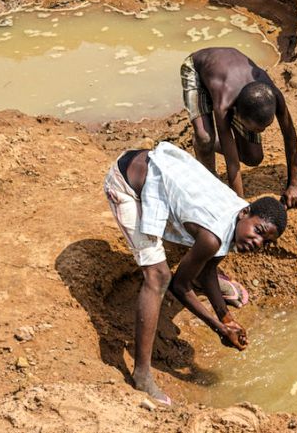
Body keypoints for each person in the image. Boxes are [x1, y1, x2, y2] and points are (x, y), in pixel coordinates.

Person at [104, 141, 287, 405]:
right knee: (159, 277)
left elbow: (209, 267)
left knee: (202, 256)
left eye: (265, 243)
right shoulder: (213, 236)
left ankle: (219, 297)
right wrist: (219, 329)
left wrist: (225, 315)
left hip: (152, 169)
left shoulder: (236, 216)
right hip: (126, 183)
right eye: (258, 232)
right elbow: (180, 286)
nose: (258, 243)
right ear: (246, 212)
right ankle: (142, 375)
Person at [180, 47, 297, 208]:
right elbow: (232, 163)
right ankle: (208, 176)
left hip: (228, 73)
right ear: (236, 114)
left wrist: (294, 183)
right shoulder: (224, 106)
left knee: (253, 157)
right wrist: (240, 206)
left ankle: (205, 144)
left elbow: (290, 136)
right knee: (205, 137)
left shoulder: (274, 96)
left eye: (265, 127)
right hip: (197, 69)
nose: (262, 132)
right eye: (256, 128)